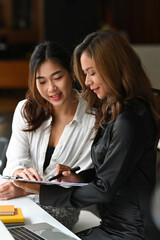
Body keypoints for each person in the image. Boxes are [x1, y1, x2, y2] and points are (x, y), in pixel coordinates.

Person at [14, 30, 160, 240]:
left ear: (112, 67)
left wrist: (41, 191)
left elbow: (105, 189)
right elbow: (112, 172)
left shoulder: (131, 119)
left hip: (131, 232)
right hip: (114, 226)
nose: (87, 82)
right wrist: (78, 178)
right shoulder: (116, 111)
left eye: (92, 73)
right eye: (85, 74)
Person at [0, 41, 95, 229]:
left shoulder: (92, 118)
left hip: (61, 207)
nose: (51, 88)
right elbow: (13, 164)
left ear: (72, 72)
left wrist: (26, 189)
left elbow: (79, 183)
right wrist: (20, 173)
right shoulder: (26, 109)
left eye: (57, 77)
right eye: (41, 81)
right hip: (17, 198)